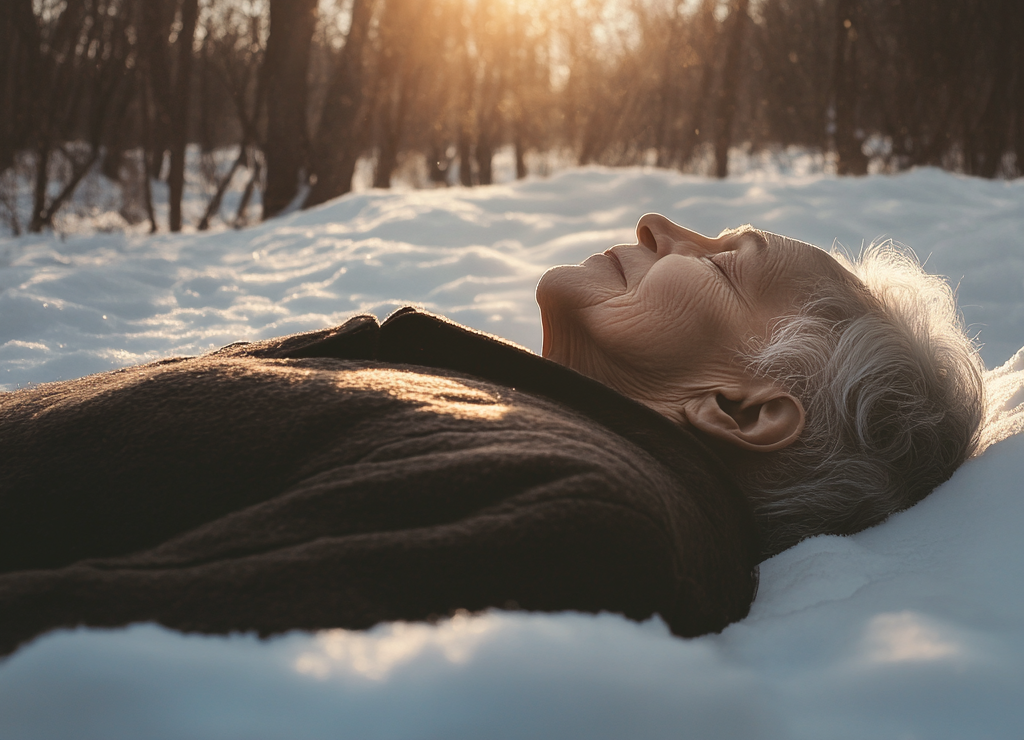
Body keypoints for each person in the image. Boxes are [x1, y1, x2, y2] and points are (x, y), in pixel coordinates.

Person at [0, 215, 984, 656]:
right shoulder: (533, 433)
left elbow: (95, 655)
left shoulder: (578, 509)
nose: (658, 226)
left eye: (721, 263)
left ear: (738, 408)